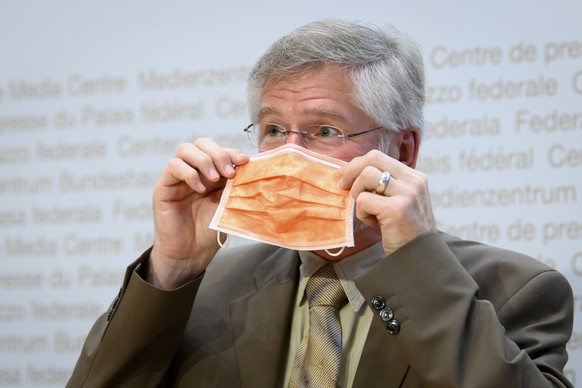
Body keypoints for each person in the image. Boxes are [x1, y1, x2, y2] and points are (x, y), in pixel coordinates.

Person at [67, 19, 574, 387]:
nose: (289, 155)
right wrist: (174, 265)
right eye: (272, 130)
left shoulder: (519, 290)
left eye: (323, 131)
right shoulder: (207, 286)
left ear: (403, 149)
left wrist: (416, 263)